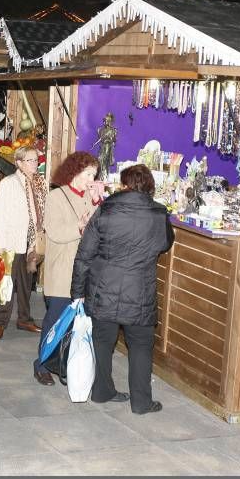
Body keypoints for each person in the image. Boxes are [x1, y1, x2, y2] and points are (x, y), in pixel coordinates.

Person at [71, 164, 174, 414]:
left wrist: (77, 293)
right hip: (139, 291)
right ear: (149, 186)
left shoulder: (105, 210)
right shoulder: (159, 214)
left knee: (103, 341)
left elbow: (84, 254)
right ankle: (141, 403)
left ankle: (102, 391)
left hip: (102, 288)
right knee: (140, 346)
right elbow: (166, 242)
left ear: (124, 185)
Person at [33, 152, 101, 385]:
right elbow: (56, 232)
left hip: (84, 273)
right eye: (87, 173)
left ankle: (63, 363)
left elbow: (99, 230)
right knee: (55, 321)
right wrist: (80, 227)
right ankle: (41, 364)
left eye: (94, 174)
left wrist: (96, 202)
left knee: (76, 324)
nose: (91, 178)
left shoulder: (90, 198)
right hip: (62, 270)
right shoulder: (56, 196)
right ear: (74, 171)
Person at [0, 146, 45, 340]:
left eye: (36, 160)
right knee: (6, 284)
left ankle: (24, 319)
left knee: (26, 283)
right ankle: (0, 323)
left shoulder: (39, 183)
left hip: (31, 242)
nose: (35, 164)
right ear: (19, 163)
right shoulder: (8, 183)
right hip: (11, 241)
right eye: (30, 160)